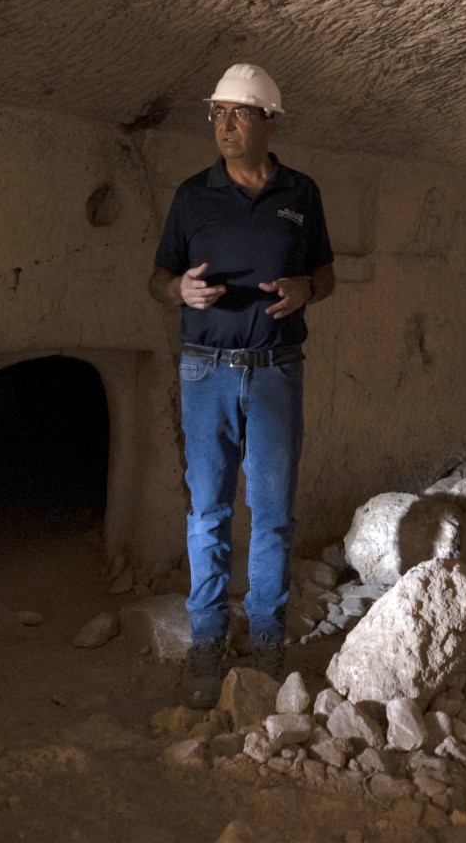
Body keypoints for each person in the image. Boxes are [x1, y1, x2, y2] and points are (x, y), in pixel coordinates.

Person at [150, 64, 335, 707]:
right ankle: (207, 641)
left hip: (277, 370)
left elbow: (325, 275)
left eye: (239, 113)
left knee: (275, 515)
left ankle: (265, 642)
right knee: (208, 513)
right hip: (204, 369)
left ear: (270, 120)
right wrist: (179, 289)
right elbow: (159, 279)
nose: (225, 125)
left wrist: (306, 287)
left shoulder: (301, 194)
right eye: (218, 114)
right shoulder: (192, 194)